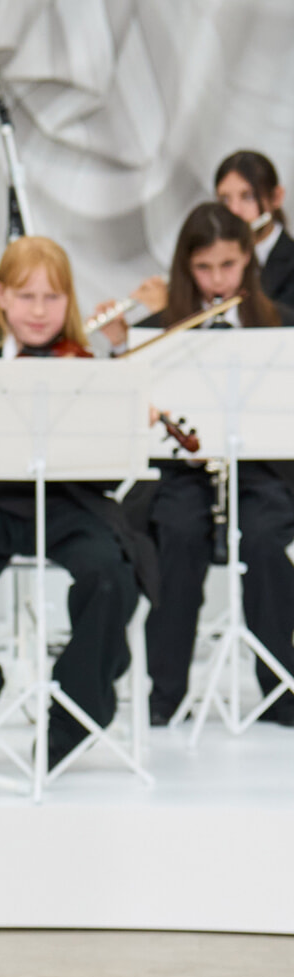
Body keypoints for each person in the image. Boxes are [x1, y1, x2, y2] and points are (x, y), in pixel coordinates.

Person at [0, 237, 142, 764]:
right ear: (0, 296)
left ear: (69, 302)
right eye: (25, 296)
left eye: (52, 297)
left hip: (68, 505)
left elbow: (111, 474)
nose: (39, 312)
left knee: (111, 575)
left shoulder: (89, 365)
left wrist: (125, 406)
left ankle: (76, 711)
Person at [124, 202, 294, 725]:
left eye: (228, 265)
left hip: (260, 469)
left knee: (266, 539)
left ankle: (278, 688)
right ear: (185, 267)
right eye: (203, 268)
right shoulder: (162, 329)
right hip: (184, 471)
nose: (217, 280)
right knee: (176, 534)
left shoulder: (280, 326)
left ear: (248, 261)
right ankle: (167, 692)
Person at [215, 149, 294, 310]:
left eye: (247, 196)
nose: (234, 210)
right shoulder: (209, 263)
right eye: (225, 199)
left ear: (276, 197)